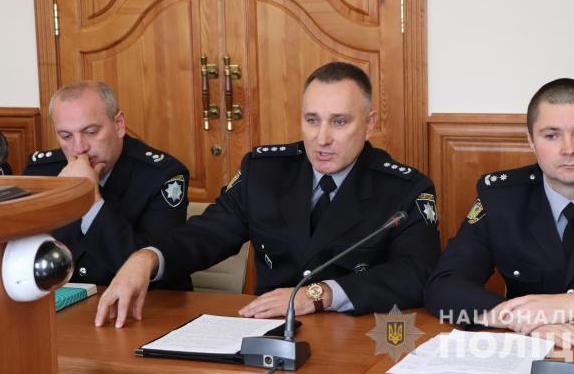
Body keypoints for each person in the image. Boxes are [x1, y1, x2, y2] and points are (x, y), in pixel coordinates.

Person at [95, 62, 441, 327]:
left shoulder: (404, 189)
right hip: (269, 331)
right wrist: (148, 258)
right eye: (312, 120)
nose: (321, 138)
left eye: (339, 122)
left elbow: (416, 273)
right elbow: (208, 234)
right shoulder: (265, 172)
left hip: (356, 335)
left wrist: (320, 294)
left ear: (369, 124)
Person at [424, 78, 574, 345]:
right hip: (529, 349)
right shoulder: (501, 199)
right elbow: (444, 285)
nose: (568, 149)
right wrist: (523, 319)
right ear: (531, 141)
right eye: (551, 135)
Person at [23, 81, 190, 287]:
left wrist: (91, 200)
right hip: (64, 302)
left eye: (91, 132)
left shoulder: (162, 175)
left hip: (147, 302)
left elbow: (153, 270)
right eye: (66, 136)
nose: (79, 148)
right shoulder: (41, 173)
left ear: (119, 124)